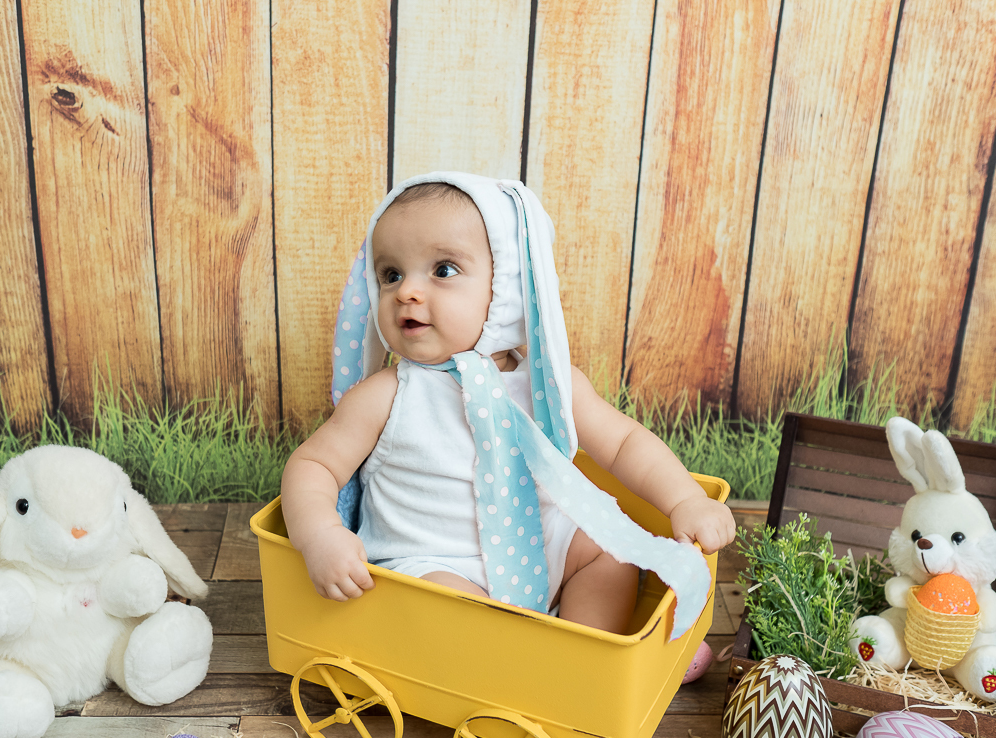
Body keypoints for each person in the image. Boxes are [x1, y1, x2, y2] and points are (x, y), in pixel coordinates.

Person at [281, 173, 734, 635]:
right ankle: (508, 661)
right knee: (447, 606)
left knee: (609, 552)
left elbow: (624, 444)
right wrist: (319, 535)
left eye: (443, 270)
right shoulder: (386, 394)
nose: (406, 292)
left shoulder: (549, 385)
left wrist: (685, 500)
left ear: (509, 288)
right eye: (391, 274)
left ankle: (585, 654)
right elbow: (314, 465)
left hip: (542, 548)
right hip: (434, 563)